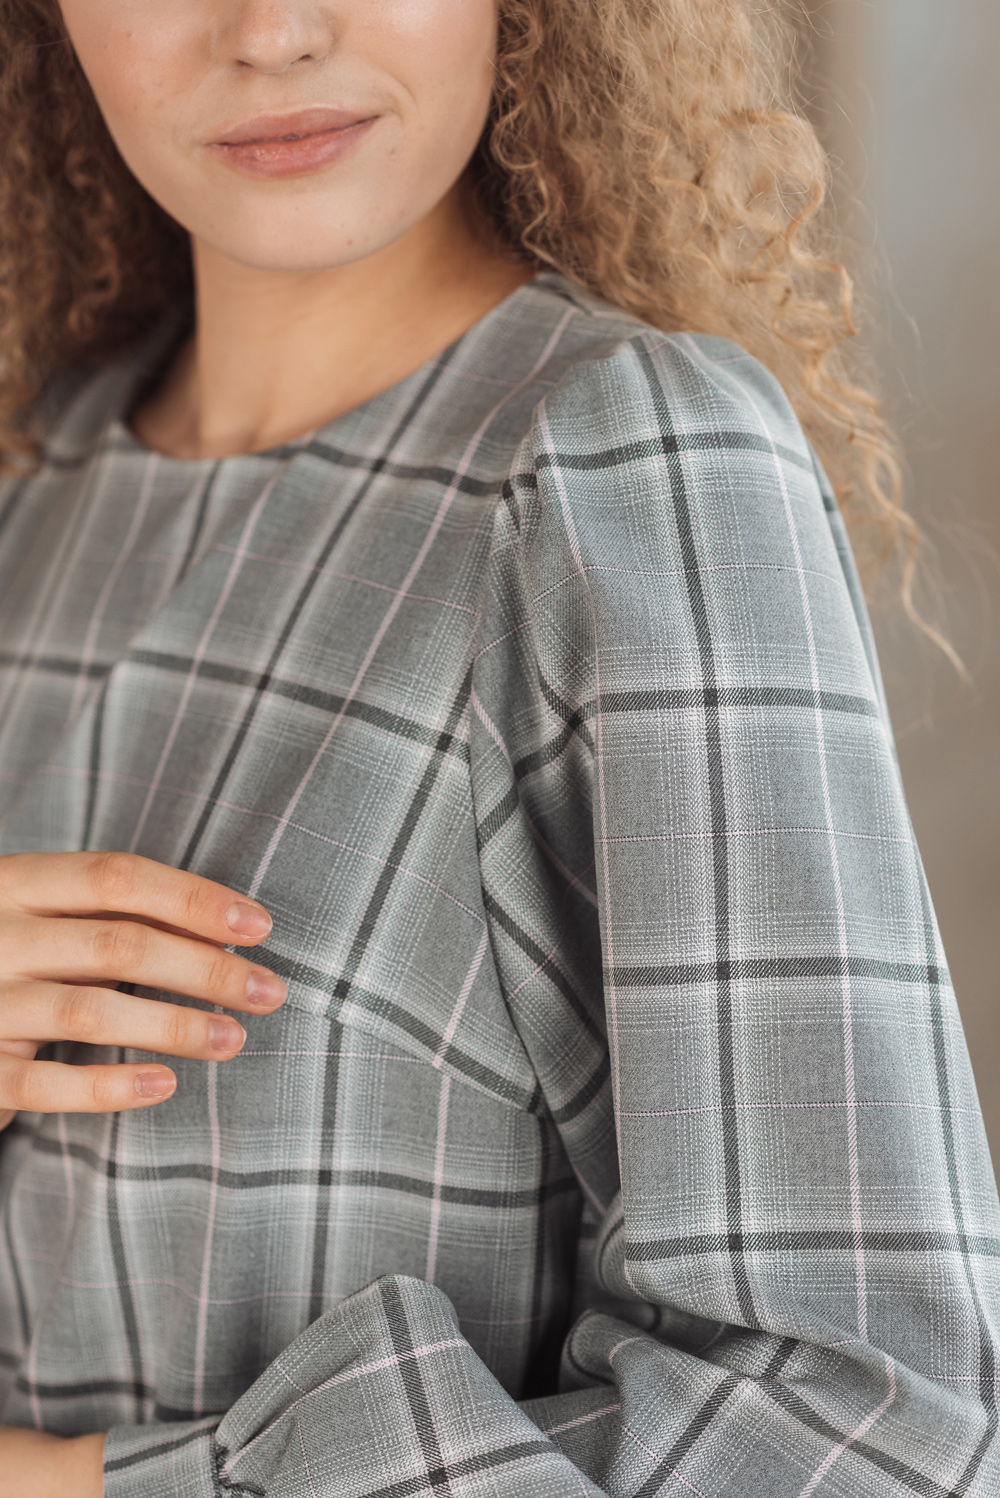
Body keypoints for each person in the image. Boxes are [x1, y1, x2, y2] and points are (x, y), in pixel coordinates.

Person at [0, 1, 997, 1494]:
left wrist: (76, 1480)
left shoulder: (625, 461)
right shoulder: (33, 483)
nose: (272, 30)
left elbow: (866, 1434)